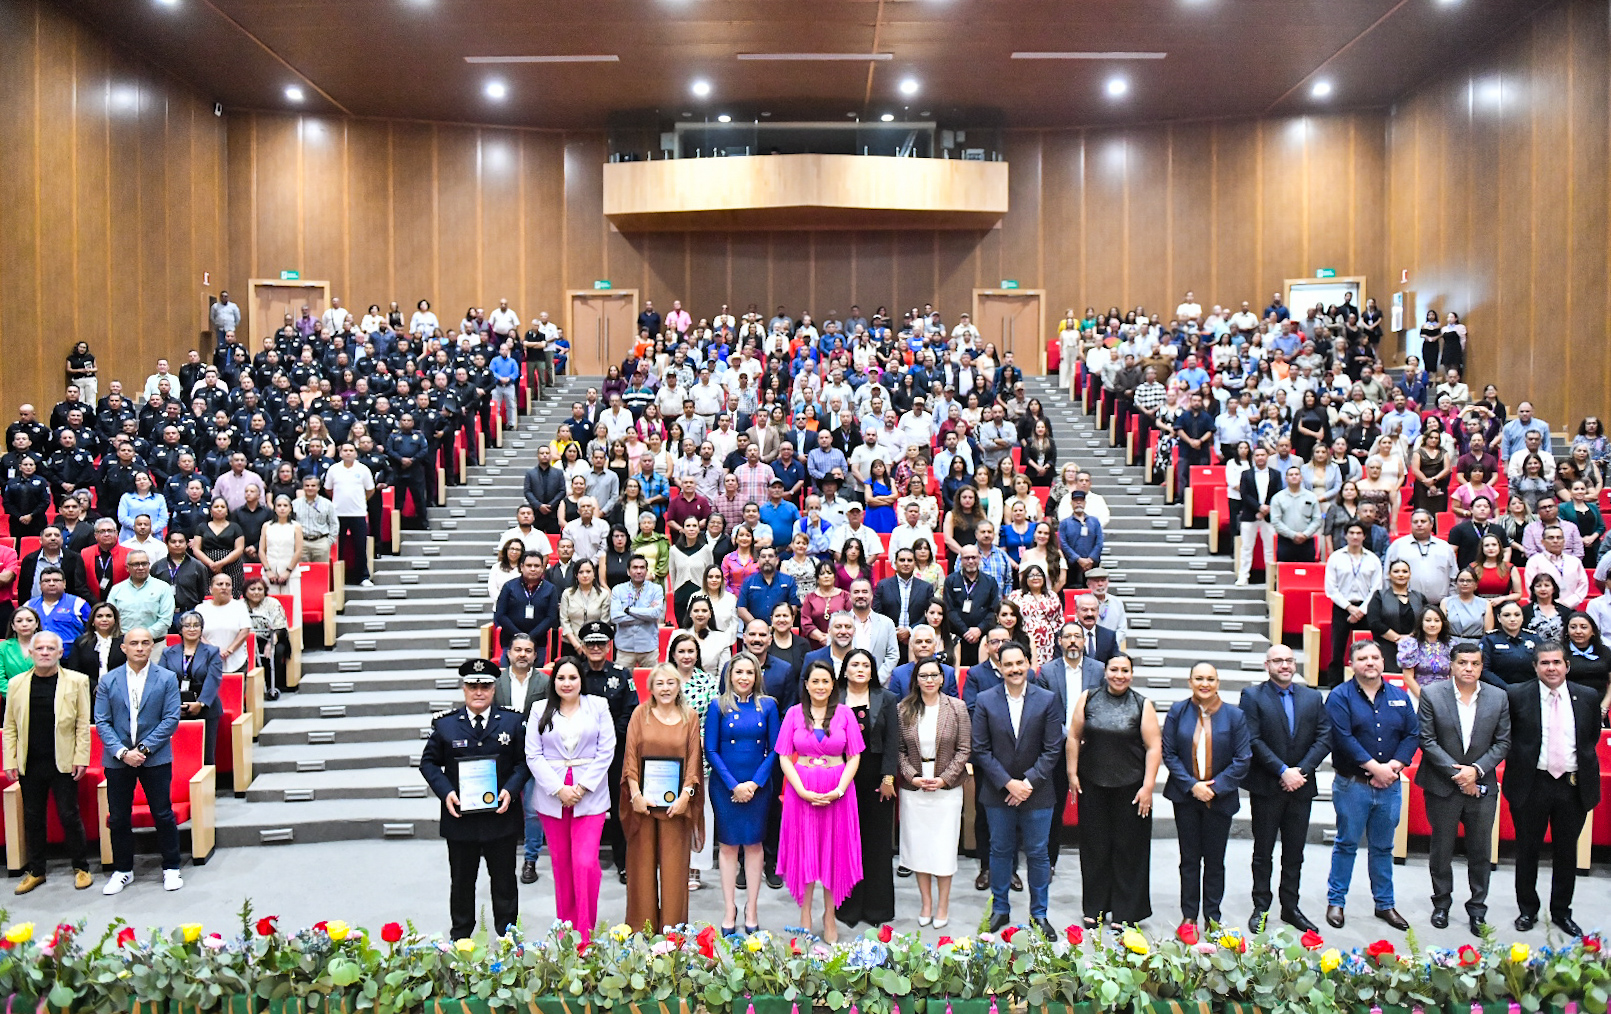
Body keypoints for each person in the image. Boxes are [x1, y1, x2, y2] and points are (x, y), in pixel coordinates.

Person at [419, 658, 530, 940]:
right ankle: (461, 939)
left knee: (504, 883)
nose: (478, 692)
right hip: (461, 819)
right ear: (464, 689)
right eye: (472, 686)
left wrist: (511, 790)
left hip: (500, 817)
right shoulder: (445, 725)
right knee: (461, 883)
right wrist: (446, 792)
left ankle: (508, 938)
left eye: (485, 686)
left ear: (494, 689)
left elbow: (524, 762)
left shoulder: (512, 721)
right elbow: (428, 763)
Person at [1504, 641, 1601, 935]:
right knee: (1527, 850)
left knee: (1566, 852)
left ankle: (1561, 912)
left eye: (1557, 662)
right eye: (1544, 663)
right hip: (1531, 784)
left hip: (1572, 785)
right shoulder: (1516, 695)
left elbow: (1591, 738)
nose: (1551, 668)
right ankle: (1527, 910)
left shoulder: (1587, 696)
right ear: (1535, 667)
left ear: (1567, 666)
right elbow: (1509, 737)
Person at [969, 641, 1063, 938]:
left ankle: (1040, 914)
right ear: (999, 667)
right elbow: (980, 749)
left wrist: (1027, 783)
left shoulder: (1047, 699)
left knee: (1038, 854)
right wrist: (1008, 783)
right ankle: (1000, 908)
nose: (1014, 669)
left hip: (1039, 792)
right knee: (999, 850)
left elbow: (1052, 748)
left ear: (1028, 664)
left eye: (1019, 663)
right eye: (1008, 664)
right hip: (999, 792)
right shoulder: (985, 700)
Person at [1415, 642, 1510, 935]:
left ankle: (1477, 909)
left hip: (1482, 786)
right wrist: (1460, 775)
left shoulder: (1498, 697)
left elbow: (1503, 742)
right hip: (1442, 785)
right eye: (1463, 663)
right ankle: (1441, 903)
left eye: (1475, 663)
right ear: (1452, 665)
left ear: (1482, 666)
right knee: (1441, 850)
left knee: (1480, 852)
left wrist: (1476, 771)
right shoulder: (1432, 694)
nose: (1469, 668)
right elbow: (1427, 740)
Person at [1323, 639, 1418, 930]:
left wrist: (1394, 766)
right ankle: (1336, 902)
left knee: (1383, 847)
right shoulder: (1339, 696)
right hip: (1353, 785)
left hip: (1389, 786)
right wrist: (1376, 768)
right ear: (1352, 664)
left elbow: (1412, 734)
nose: (1370, 663)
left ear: (1383, 661)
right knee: (1346, 843)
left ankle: (1385, 904)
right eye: (1363, 658)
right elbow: (1342, 737)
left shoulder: (1399, 696)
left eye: (1375, 657)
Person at [1066, 653, 1160, 928]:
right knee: (1094, 848)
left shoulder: (1142, 704)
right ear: (1105, 672)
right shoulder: (1088, 698)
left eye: (1125, 670)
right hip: (1092, 784)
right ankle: (1095, 907)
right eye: (1114, 669)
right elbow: (1074, 736)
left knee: (1128, 850)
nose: (1119, 675)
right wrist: (1072, 772)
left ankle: (1124, 911)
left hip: (1131, 788)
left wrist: (1148, 786)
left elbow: (1154, 747)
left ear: (1131, 674)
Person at [524, 655, 614, 940]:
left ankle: (585, 933)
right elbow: (533, 754)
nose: (567, 683)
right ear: (553, 681)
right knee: (562, 866)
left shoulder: (598, 705)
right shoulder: (539, 709)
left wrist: (582, 787)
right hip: (553, 797)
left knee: (585, 863)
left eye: (572, 677)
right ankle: (566, 932)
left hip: (590, 796)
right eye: (561, 678)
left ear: (581, 680)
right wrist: (558, 789)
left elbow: (606, 750)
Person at [1241, 644, 1330, 932]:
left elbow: (1324, 737)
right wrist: (1282, 770)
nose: (1285, 665)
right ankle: (1261, 906)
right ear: (1266, 665)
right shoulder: (1252, 696)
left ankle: (1290, 907)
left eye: (1289, 660)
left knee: (1294, 853)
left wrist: (1300, 771)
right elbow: (1253, 739)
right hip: (1267, 786)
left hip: (1301, 787)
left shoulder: (1312, 697)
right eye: (1278, 660)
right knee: (1263, 851)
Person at [776, 659, 865, 943]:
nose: (820, 686)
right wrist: (800, 789)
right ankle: (805, 914)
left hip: (837, 791)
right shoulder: (793, 714)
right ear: (806, 685)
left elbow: (854, 756)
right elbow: (783, 756)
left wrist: (839, 789)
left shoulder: (845, 714)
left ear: (833, 685)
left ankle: (829, 915)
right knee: (804, 852)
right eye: (815, 681)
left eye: (825, 681)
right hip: (801, 791)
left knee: (833, 853)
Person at [1161, 663, 1251, 930]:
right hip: (1185, 797)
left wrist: (1215, 787)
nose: (1205, 684)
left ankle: (1213, 916)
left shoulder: (1235, 715)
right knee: (1189, 859)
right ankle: (1189, 915)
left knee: (1214, 861)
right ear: (1190, 682)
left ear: (1218, 683)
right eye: (1199, 678)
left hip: (1220, 799)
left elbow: (1243, 758)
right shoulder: (1177, 711)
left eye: (1210, 679)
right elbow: (1169, 754)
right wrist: (1192, 785)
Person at [2, 631, 94, 893]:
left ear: (60, 653)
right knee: (33, 817)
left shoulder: (77, 681)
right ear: (31, 653)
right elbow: (10, 726)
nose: (45, 652)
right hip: (30, 761)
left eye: (50, 648)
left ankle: (81, 867)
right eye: (40, 648)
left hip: (63, 760)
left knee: (69, 814)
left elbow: (82, 724)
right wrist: (10, 759)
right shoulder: (16, 683)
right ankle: (36, 871)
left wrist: (81, 757)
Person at [94, 626, 184, 895]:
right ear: (124, 648)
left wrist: (142, 749)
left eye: (145, 642)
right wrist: (123, 753)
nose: (140, 647)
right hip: (118, 759)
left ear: (152, 646)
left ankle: (171, 867)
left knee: (163, 813)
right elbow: (102, 721)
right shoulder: (108, 680)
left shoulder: (167, 678)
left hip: (155, 758)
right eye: (134, 643)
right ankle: (123, 870)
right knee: (119, 817)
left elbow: (171, 719)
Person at [621, 664, 705, 931]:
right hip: (643, 805)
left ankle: (672, 931)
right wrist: (635, 795)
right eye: (660, 683)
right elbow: (630, 758)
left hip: (676, 806)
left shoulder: (690, 717)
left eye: (671, 683)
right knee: (641, 869)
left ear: (679, 686)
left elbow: (694, 761)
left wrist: (685, 797)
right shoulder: (640, 714)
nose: (666, 688)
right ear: (651, 688)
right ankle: (642, 928)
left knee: (674, 871)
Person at [704, 651, 780, 934]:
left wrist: (754, 784)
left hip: (758, 786)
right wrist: (734, 785)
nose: (744, 677)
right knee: (727, 846)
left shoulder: (768, 705)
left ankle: (751, 908)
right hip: (726, 786)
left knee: (754, 845)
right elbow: (710, 749)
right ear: (729, 676)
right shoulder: (718, 705)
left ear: (757, 676)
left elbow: (775, 749)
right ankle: (729, 909)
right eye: (739, 672)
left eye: (749, 672)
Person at [835, 647, 899, 928]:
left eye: (865, 665)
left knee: (877, 844)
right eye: (855, 665)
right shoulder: (834, 697)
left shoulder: (887, 698)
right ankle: (848, 907)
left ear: (873, 670)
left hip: (876, 781)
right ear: (845, 670)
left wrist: (888, 779)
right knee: (846, 844)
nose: (860, 669)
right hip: (841, 779)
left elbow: (893, 742)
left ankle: (876, 909)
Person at [158, 610, 224, 765]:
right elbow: (162, 680)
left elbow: (213, 679)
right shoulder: (168, 652)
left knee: (206, 756)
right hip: (175, 708)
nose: (192, 629)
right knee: (181, 756)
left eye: (196, 625)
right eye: (187, 626)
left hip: (206, 708)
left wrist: (201, 703)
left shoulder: (212, 652)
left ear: (201, 629)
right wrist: (173, 705)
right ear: (180, 630)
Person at [1324, 521, 1383, 685]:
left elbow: (1376, 588)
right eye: (1351, 533)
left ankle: (1364, 683)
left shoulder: (1373, 559)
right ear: (1345, 535)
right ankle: (1335, 686)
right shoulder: (1335, 558)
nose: (1355, 536)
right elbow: (1331, 589)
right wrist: (1350, 608)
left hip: (1366, 608)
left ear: (1364, 536)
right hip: (1342, 607)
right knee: (1337, 649)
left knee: (1366, 649)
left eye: (1359, 533)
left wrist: (1361, 610)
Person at [324, 443, 376, 587]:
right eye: (345, 450)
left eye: (351, 450)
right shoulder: (333, 469)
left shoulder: (363, 469)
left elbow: (370, 490)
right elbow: (328, 490)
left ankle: (363, 577)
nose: (348, 453)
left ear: (355, 453)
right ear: (340, 453)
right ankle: (336, 578)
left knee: (360, 546)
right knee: (338, 548)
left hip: (358, 514)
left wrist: (360, 501)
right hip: (338, 514)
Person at [493, 552, 558, 666]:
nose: (533, 569)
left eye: (537, 566)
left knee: (535, 675)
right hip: (511, 640)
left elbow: (551, 617)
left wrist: (531, 637)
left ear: (542, 568)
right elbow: (501, 614)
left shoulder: (550, 589)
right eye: (529, 565)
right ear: (522, 567)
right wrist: (519, 635)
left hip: (538, 643)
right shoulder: (509, 586)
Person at [944, 545, 1002, 669]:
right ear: (960, 560)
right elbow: (949, 610)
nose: (970, 561)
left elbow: (993, 611)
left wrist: (979, 629)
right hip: (958, 637)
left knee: (982, 671)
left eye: (974, 557)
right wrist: (965, 631)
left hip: (983, 638)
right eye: (966, 558)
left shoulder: (990, 582)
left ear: (980, 558)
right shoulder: (951, 580)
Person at [610, 555, 665, 669]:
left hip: (648, 648)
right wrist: (646, 615)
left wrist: (628, 610)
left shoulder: (656, 589)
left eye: (642, 568)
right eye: (635, 567)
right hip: (625, 648)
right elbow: (615, 617)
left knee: (652, 679)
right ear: (628, 571)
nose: (639, 571)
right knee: (621, 679)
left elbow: (655, 614)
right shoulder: (618, 590)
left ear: (646, 571)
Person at [1236, 446, 1281, 585]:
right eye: (1257, 455)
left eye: (1263, 455)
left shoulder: (1276, 474)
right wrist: (1259, 507)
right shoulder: (1246, 474)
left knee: (1270, 549)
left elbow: (1278, 493)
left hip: (1269, 515)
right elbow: (1244, 494)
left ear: (1267, 456)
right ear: (1253, 457)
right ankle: (1243, 576)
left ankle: (1270, 578)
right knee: (1246, 547)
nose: (1260, 457)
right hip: (1250, 515)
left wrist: (1266, 509)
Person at [107, 550, 174, 640]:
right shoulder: (117, 589)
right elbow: (110, 617)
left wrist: (144, 637)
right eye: (136, 564)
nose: (141, 567)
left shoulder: (163, 588)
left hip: (155, 643)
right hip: (123, 642)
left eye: (144, 564)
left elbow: (166, 620)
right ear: (127, 568)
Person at [1271, 466, 1322, 562]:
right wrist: (1293, 535)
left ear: (1301, 478)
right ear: (1286, 479)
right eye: (1291, 475)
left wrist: (1305, 535)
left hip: (1307, 541)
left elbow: (1317, 519)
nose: (1294, 477)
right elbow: (1275, 521)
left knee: (1307, 570)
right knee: (1285, 570)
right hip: (1285, 541)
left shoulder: (1311, 497)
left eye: (1296, 474)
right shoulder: (1277, 498)